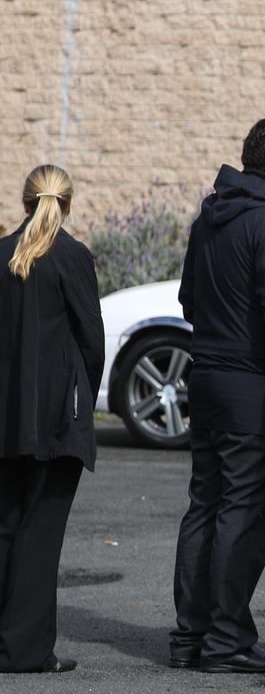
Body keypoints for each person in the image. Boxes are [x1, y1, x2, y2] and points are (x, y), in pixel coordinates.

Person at [170, 117, 265, 674]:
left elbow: (189, 300)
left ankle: (194, 635)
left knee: (206, 508)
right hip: (254, 391)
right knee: (243, 514)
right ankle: (226, 640)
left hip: (208, 380)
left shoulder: (209, 219)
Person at [0, 165, 104, 674]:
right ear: (68, 203)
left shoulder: (1, 254)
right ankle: (26, 651)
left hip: (4, 417)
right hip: (57, 419)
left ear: (25, 202)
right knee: (40, 536)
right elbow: (91, 340)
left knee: (5, 529)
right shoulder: (72, 256)